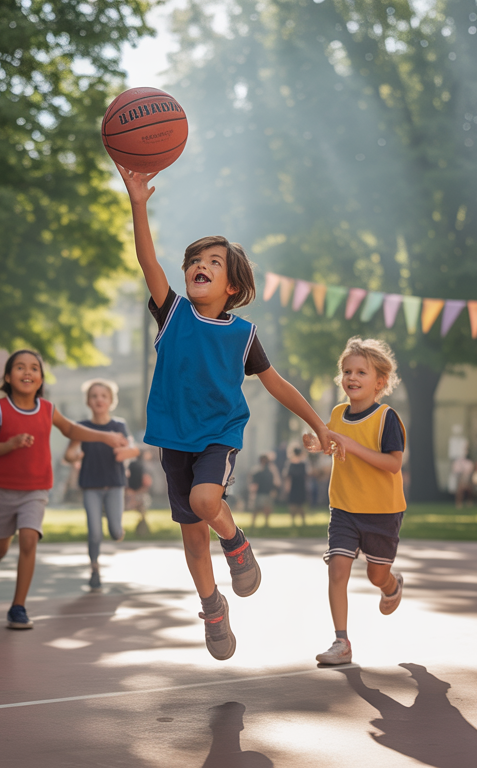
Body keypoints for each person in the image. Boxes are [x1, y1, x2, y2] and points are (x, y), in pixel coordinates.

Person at [117, 162, 343, 661]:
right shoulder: (172, 312)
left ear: (232, 287)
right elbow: (147, 259)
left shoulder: (242, 335)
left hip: (219, 433)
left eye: (213, 262)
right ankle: (213, 607)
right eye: (195, 260)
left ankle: (236, 542)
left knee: (205, 500)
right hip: (174, 438)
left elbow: (276, 383)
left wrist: (318, 423)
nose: (200, 265)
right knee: (193, 540)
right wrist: (138, 203)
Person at [0, 350, 128, 629]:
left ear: (41, 378)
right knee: (1, 544)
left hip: (36, 489)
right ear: (7, 377)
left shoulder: (47, 409)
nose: (28, 372)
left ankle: (18, 607)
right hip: (4, 490)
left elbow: (70, 429)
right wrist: (9, 444)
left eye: (34, 368)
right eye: (20, 367)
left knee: (29, 540)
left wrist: (105, 436)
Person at [308, 338, 408, 666]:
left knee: (377, 575)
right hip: (344, 508)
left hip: (382, 512)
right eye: (347, 371)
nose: (352, 377)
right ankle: (341, 642)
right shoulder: (338, 414)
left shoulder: (386, 418)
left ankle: (391, 585)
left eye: (361, 372)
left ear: (380, 382)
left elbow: (393, 463)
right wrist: (318, 444)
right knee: (337, 570)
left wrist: (350, 444)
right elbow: (333, 445)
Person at [63, 378, 140, 591]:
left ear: (111, 401)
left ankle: (115, 526)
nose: (99, 399)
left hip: (115, 485)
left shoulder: (119, 425)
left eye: (104, 396)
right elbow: (68, 454)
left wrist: (125, 451)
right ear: (88, 401)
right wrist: (75, 456)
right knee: (95, 532)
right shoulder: (81, 427)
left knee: (115, 532)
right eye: (94, 396)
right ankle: (94, 568)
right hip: (91, 486)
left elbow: (133, 449)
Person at [126, 449, 153, 536]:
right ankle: (142, 529)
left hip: (128, 494)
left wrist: (130, 492)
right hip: (139, 495)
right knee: (144, 507)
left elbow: (125, 479)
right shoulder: (144, 467)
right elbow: (147, 483)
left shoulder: (130, 465)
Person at [248, 454, 279, 529]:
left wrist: (252, 494)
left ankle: (253, 524)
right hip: (268, 493)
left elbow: (255, 485)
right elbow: (275, 483)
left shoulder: (257, 472)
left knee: (256, 510)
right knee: (266, 510)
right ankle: (266, 524)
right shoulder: (271, 472)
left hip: (260, 493)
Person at [285, 446, 309, 527]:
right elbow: (306, 476)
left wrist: (287, 488)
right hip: (301, 486)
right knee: (301, 505)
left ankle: (293, 521)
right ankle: (303, 521)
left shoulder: (290, 464)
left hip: (294, 486)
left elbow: (288, 477)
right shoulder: (303, 464)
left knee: (293, 505)